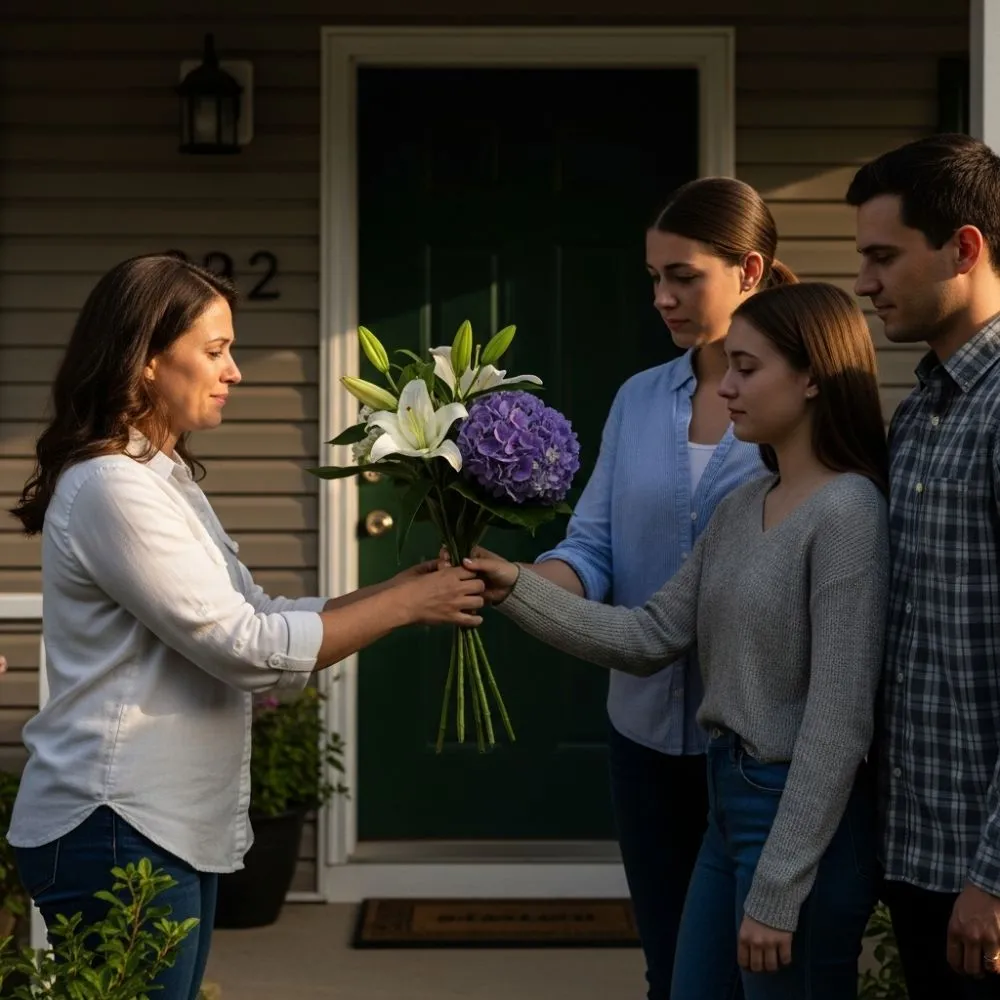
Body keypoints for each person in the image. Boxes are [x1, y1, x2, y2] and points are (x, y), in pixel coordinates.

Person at [5, 254, 485, 1000]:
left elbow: (254, 616)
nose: (235, 372)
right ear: (146, 360)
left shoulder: (163, 479)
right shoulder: (111, 488)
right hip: (115, 822)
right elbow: (248, 650)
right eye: (216, 350)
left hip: (159, 825)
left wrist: (390, 589)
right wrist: (404, 609)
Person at [464, 282, 889, 998]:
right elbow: (650, 634)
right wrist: (512, 585)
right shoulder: (744, 505)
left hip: (795, 820)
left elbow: (839, 723)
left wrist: (779, 890)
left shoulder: (848, 512)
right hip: (728, 808)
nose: (725, 388)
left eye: (747, 369)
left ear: (813, 375)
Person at [521, 177, 792, 999]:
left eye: (684, 276)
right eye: (654, 277)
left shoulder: (797, 400)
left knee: (755, 971)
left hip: (755, 747)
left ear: (749, 269)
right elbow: (593, 544)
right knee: (670, 969)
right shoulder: (639, 398)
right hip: (641, 737)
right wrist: (532, 587)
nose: (663, 297)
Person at [847, 133, 1000, 999]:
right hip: (915, 852)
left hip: (981, 877)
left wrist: (994, 879)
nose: (864, 282)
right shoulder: (920, 412)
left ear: (964, 248)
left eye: (882, 257)